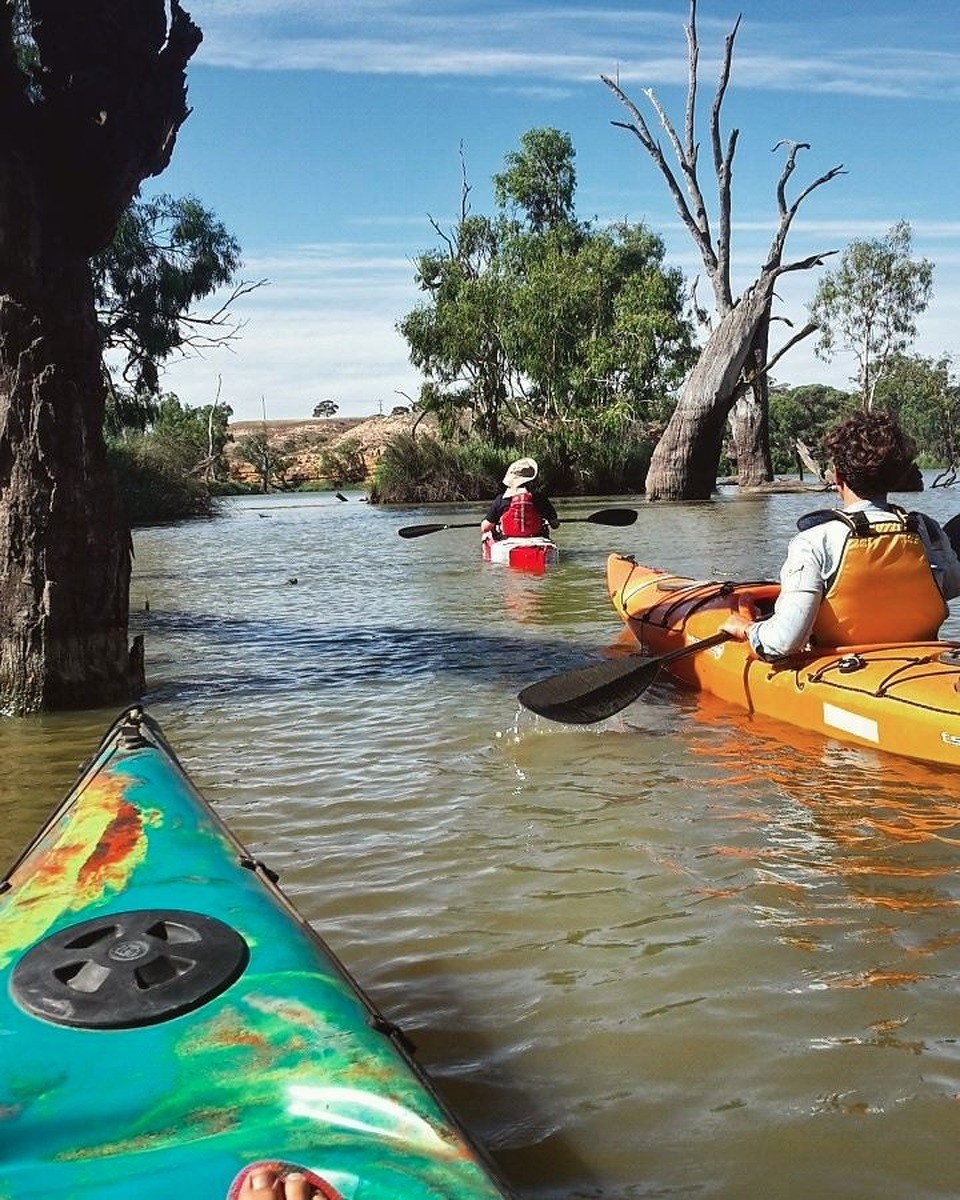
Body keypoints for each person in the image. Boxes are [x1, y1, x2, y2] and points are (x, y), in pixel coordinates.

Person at [721, 409, 960, 659]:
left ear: (838, 477)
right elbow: (951, 586)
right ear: (896, 477)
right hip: (925, 662)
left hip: (844, 668)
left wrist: (748, 628)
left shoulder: (814, 542)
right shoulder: (927, 529)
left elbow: (782, 642)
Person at [480, 457, 558, 540]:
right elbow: (555, 524)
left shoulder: (502, 499)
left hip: (508, 541)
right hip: (536, 540)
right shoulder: (540, 498)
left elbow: (485, 528)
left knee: (487, 534)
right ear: (531, 480)